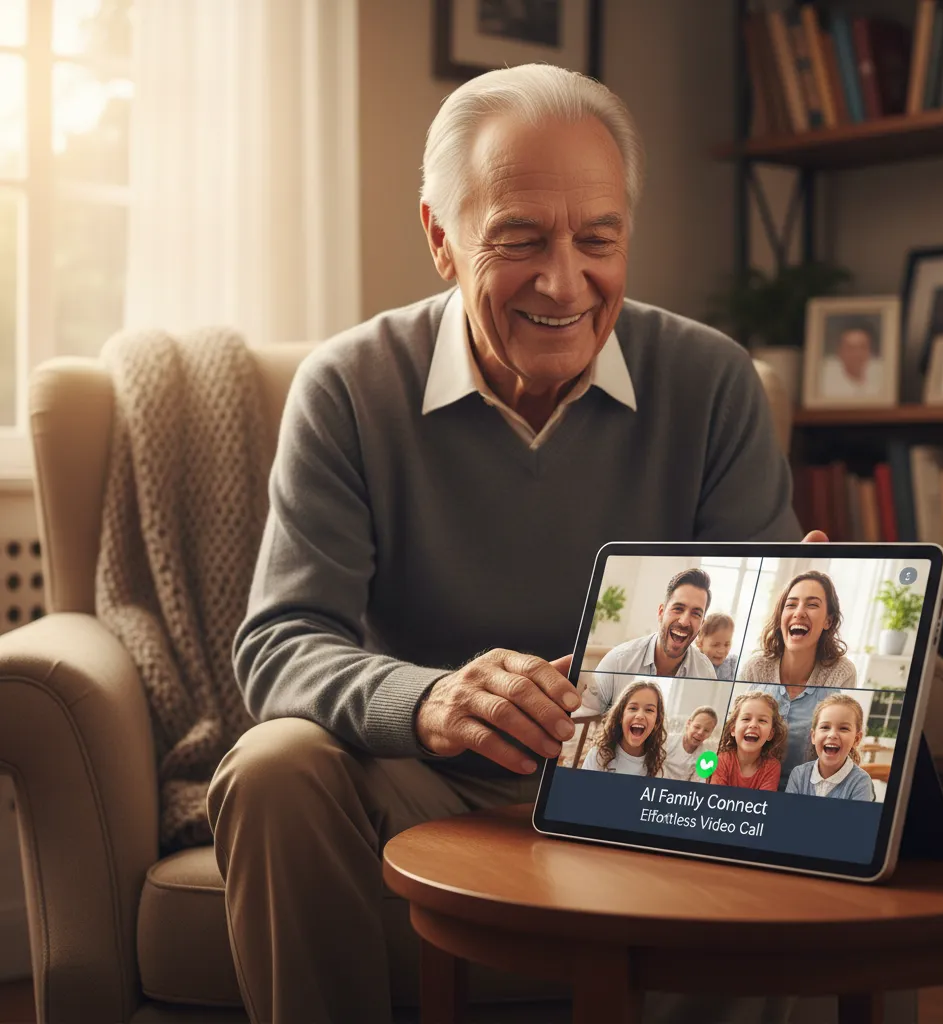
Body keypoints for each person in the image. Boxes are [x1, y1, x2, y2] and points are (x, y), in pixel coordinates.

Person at [208, 63, 814, 1023]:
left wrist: (795, 627)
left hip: (658, 790)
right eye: (520, 240)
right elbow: (280, 643)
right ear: (440, 239)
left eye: (598, 240)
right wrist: (433, 700)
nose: (563, 281)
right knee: (272, 766)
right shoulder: (347, 388)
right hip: (429, 786)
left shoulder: (714, 380)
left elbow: (753, 679)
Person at [740, 570, 856, 790]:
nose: (799, 612)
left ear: (828, 621)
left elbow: (843, 746)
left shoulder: (841, 672)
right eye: (791, 605)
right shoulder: (755, 669)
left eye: (812, 605)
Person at [577, 569, 717, 716]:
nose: (684, 621)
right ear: (661, 612)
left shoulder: (706, 672)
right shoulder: (618, 661)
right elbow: (585, 719)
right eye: (678, 608)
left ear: (702, 624)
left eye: (696, 614)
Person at [786, 693, 874, 801]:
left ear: (856, 739)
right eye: (825, 727)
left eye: (843, 728)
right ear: (813, 736)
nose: (832, 734)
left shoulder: (861, 782)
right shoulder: (799, 775)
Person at [580, 681, 667, 776]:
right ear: (621, 716)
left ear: (656, 722)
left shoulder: (657, 765)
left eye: (649, 710)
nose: (640, 716)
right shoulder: (598, 756)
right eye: (633, 708)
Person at [709, 690, 787, 792]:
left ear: (770, 734)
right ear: (733, 729)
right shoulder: (721, 760)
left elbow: (763, 804)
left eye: (762, 720)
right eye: (746, 719)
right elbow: (715, 799)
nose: (753, 725)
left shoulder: (772, 766)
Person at [820, 322, 884, 400]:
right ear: (839, 352)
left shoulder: (881, 373)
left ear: (869, 351)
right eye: (851, 348)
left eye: (862, 347)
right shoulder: (824, 379)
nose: (857, 354)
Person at [661, 704, 718, 782]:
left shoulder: (707, 758)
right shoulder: (666, 741)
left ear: (711, 733)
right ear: (688, 723)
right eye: (697, 727)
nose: (700, 733)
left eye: (706, 730)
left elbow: (696, 786)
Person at [696, 611, 737, 680]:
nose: (721, 651)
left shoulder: (732, 665)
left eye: (727, 644)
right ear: (700, 643)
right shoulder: (694, 664)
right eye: (715, 645)